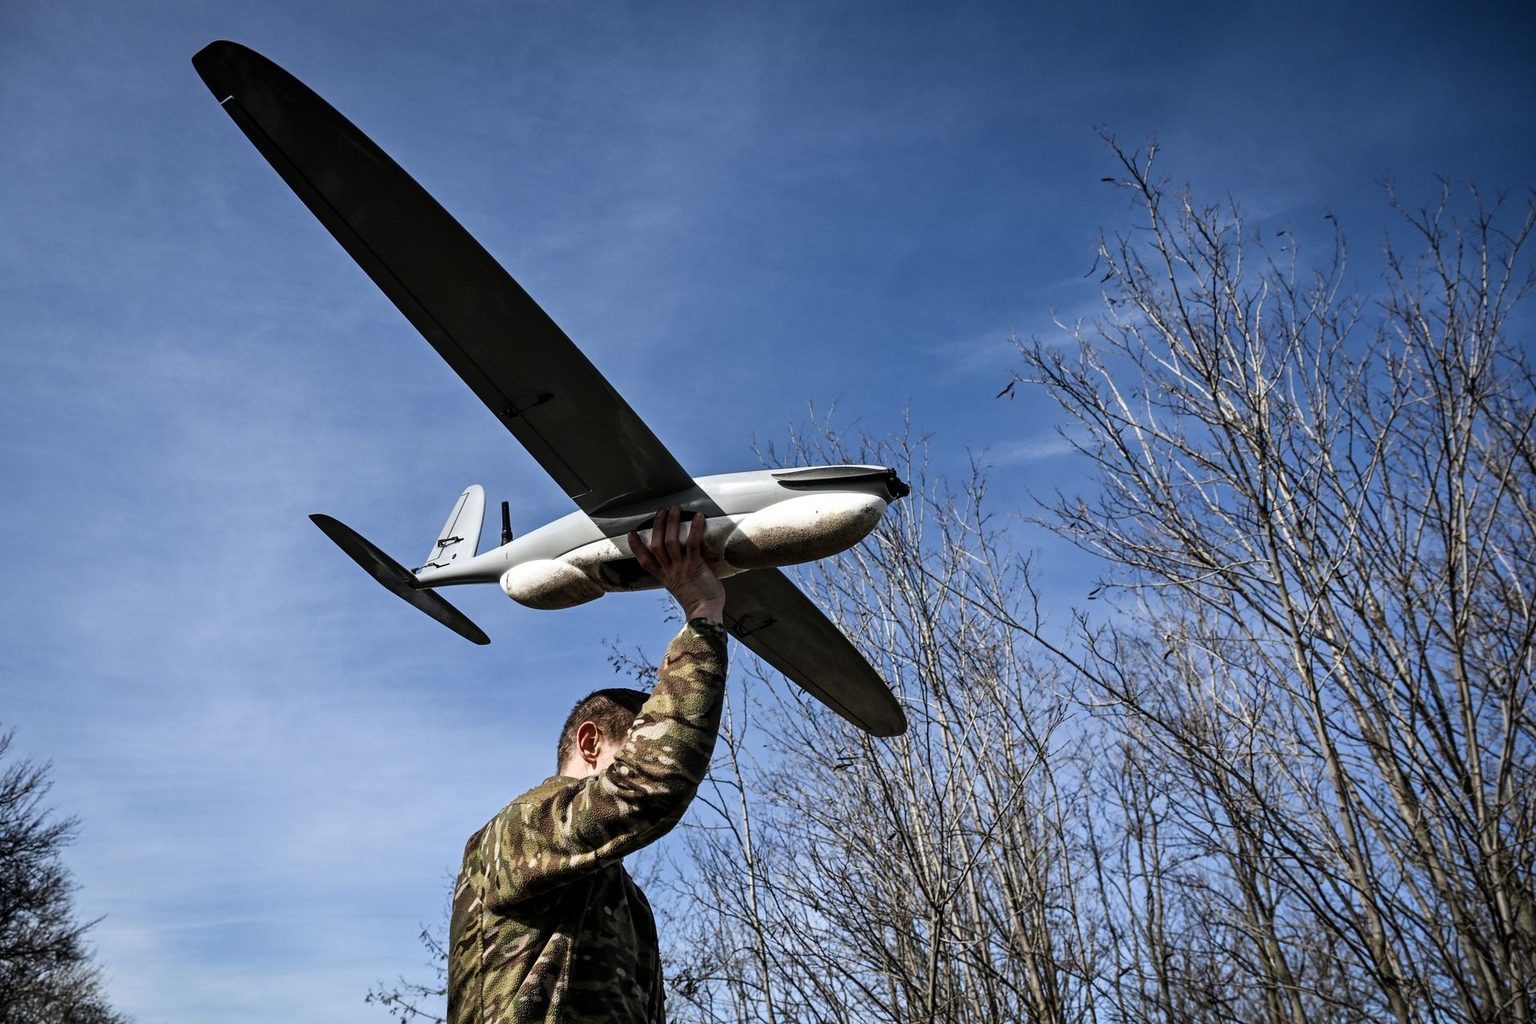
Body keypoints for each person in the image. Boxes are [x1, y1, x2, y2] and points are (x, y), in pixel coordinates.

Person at [447, 505, 728, 1024]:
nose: (653, 751)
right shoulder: (514, 835)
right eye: (638, 741)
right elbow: (651, 783)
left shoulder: (629, 903)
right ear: (592, 743)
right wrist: (701, 615)